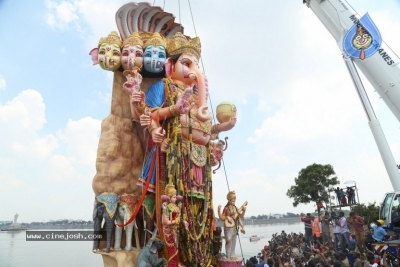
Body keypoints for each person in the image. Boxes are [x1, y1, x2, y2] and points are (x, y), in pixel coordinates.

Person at [161, 183, 186, 267]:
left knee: (176, 251)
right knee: (173, 251)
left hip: (175, 232)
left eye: (176, 197)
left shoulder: (175, 207)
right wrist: (175, 221)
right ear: (169, 197)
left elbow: (179, 219)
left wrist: (183, 221)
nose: (175, 199)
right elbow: (165, 222)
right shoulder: (167, 207)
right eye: (174, 197)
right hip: (169, 232)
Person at [218, 191, 247, 260]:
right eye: (232, 200)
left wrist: (244, 211)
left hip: (234, 227)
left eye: (234, 200)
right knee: (229, 242)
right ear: (229, 200)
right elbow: (222, 217)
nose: (234, 201)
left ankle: (232, 255)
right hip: (228, 228)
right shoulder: (226, 208)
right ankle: (228, 256)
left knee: (234, 241)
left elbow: (239, 217)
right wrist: (219, 211)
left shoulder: (236, 208)